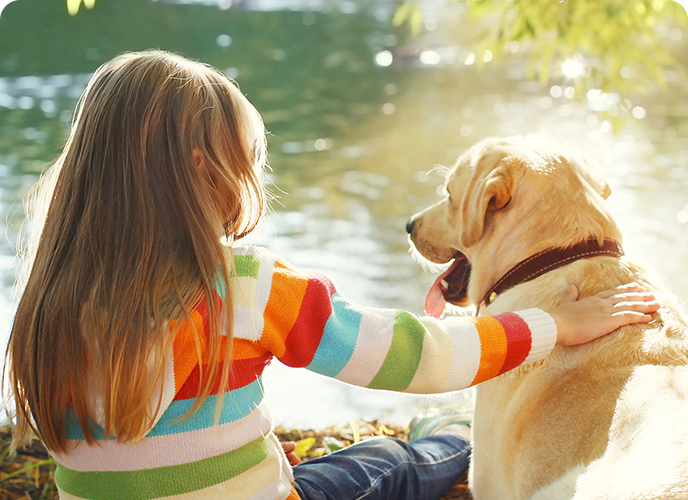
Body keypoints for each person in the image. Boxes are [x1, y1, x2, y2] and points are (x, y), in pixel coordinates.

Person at [3, 50, 659, 500]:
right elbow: (413, 356)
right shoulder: (241, 287)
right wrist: (555, 323)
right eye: (248, 161)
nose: (253, 179)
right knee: (387, 464)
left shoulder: (49, 296)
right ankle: (449, 438)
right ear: (203, 167)